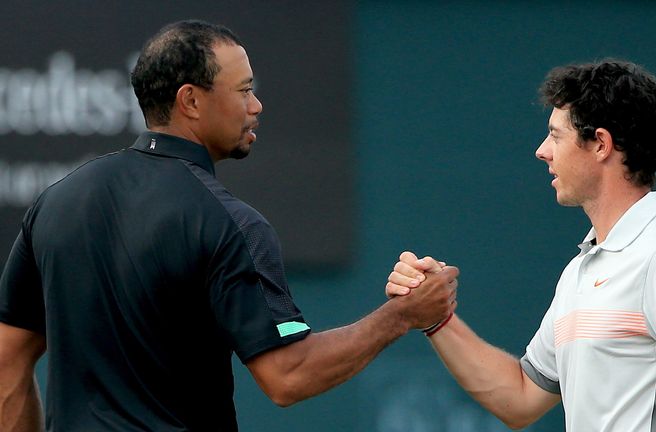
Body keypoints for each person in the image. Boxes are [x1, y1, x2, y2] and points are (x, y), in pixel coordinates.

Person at [0, 20, 459, 431]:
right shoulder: (229, 223)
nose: (256, 105)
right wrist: (402, 315)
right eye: (243, 90)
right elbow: (288, 376)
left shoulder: (54, 202)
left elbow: (7, 367)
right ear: (191, 100)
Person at [386, 60, 656, 431]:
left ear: (600, 144)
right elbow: (520, 399)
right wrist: (437, 319)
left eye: (555, 135)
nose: (542, 150)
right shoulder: (580, 272)